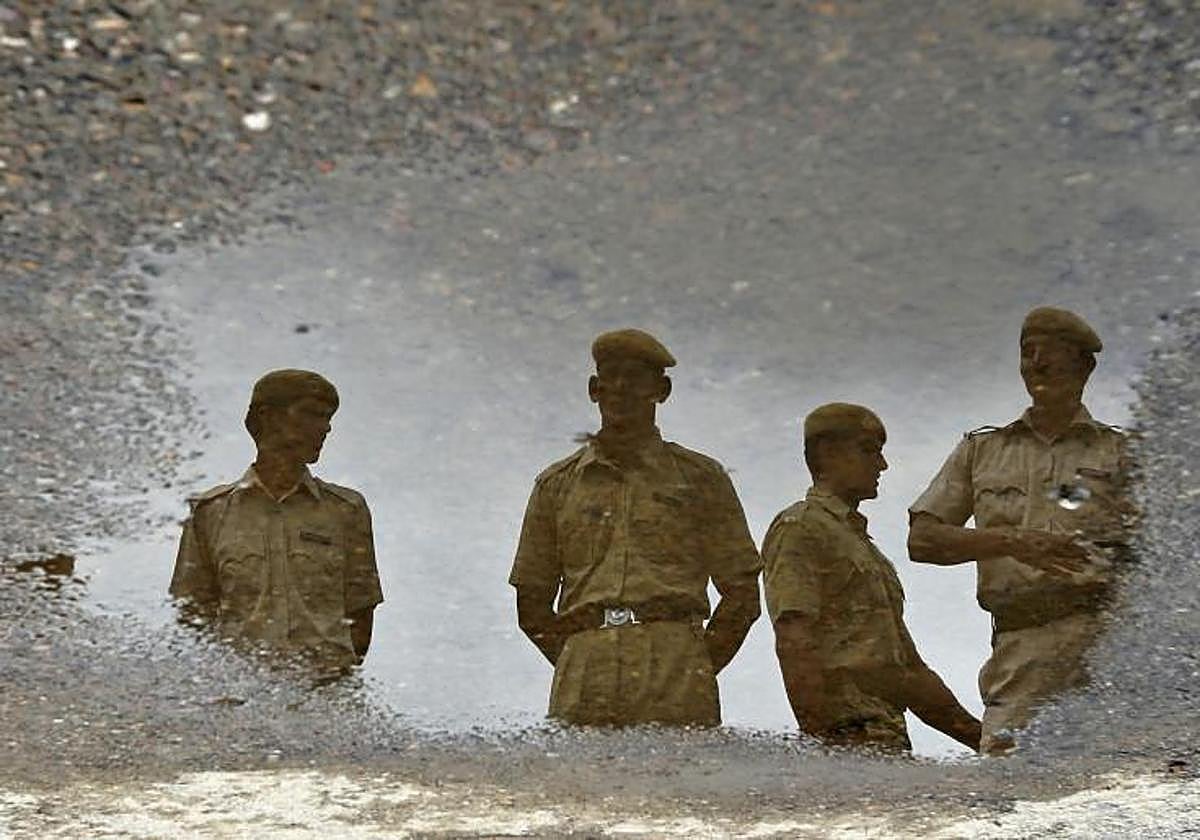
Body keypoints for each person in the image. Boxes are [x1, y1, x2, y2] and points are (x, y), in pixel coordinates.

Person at [509, 328, 762, 726]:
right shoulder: (557, 485)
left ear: (662, 390)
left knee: (678, 786)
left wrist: (696, 664)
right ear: (594, 389)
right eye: (611, 377)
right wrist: (581, 653)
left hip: (676, 661)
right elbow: (532, 604)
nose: (622, 388)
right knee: (583, 787)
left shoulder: (699, 478)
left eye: (637, 377)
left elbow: (743, 597)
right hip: (584, 665)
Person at [908, 307, 1133, 753]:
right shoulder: (982, 449)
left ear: (1084, 366)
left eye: (1051, 353)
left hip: (1108, 648)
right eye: (1027, 353)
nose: (1037, 364)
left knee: (1117, 792)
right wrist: (1010, 540)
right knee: (1009, 793)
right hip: (1021, 648)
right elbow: (923, 540)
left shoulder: (1123, 454)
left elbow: (1166, 555)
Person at [763, 403, 981, 752]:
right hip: (845, 736)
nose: (882, 464)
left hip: (884, 737)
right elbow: (794, 637)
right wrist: (821, 742)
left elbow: (909, 671)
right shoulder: (801, 528)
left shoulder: (864, 549)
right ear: (827, 453)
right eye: (868, 451)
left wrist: (982, 739)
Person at [169, 369, 383, 671]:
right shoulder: (211, 512)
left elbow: (361, 615)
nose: (325, 429)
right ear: (268, 417)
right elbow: (192, 617)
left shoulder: (345, 510)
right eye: (311, 414)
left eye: (327, 418)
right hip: (241, 700)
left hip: (325, 698)